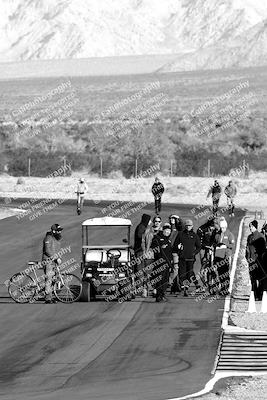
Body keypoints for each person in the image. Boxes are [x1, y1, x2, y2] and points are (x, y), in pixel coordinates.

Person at [173, 219, 202, 297]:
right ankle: (183, 289)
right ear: (185, 226)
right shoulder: (180, 234)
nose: (188, 227)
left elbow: (199, 247)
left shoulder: (195, 235)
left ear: (192, 226)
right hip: (182, 258)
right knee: (182, 273)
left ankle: (186, 288)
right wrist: (179, 250)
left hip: (191, 259)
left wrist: (194, 253)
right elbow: (175, 245)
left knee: (189, 274)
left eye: (189, 225)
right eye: (187, 225)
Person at [212, 219, 235, 295]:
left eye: (223, 228)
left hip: (226, 256)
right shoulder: (217, 235)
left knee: (226, 273)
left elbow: (232, 245)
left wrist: (226, 245)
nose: (222, 229)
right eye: (221, 228)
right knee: (220, 273)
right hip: (218, 256)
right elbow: (214, 244)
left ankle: (226, 288)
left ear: (226, 227)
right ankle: (222, 288)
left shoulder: (229, 234)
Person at [151, 223, 173, 302]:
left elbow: (170, 252)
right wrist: (160, 248)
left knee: (165, 280)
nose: (167, 233)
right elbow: (154, 248)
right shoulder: (157, 238)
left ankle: (162, 294)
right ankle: (158, 296)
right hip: (159, 263)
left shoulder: (169, 240)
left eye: (169, 231)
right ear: (163, 230)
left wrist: (171, 263)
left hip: (167, 263)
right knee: (159, 280)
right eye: (166, 231)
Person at [42, 224, 63, 304]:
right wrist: (56, 258)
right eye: (58, 230)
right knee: (49, 280)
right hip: (48, 262)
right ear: (54, 231)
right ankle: (47, 298)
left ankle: (51, 296)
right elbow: (47, 250)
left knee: (55, 280)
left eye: (60, 230)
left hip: (54, 262)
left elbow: (57, 250)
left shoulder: (56, 238)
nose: (60, 232)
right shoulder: (48, 238)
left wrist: (59, 257)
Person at [246, 220, 266, 301]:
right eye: (249, 227)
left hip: (258, 261)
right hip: (251, 261)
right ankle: (254, 294)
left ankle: (260, 294)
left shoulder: (260, 236)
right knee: (252, 279)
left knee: (260, 278)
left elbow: (263, 250)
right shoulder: (249, 237)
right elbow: (247, 249)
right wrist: (247, 258)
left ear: (255, 227)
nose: (250, 228)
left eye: (251, 227)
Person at [134, 213, 151, 296]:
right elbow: (141, 237)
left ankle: (142, 289)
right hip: (140, 251)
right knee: (140, 270)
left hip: (140, 251)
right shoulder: (142, 227)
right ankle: (140, 289)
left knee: (142, 270)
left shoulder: (141, 226)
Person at [169, 215, 183, 294]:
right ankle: (170, 282)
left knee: (176, 269)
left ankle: (175, 286)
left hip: (175, 252)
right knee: (176, 269)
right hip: (175, 253)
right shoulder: (175, 232)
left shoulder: (175, 231)